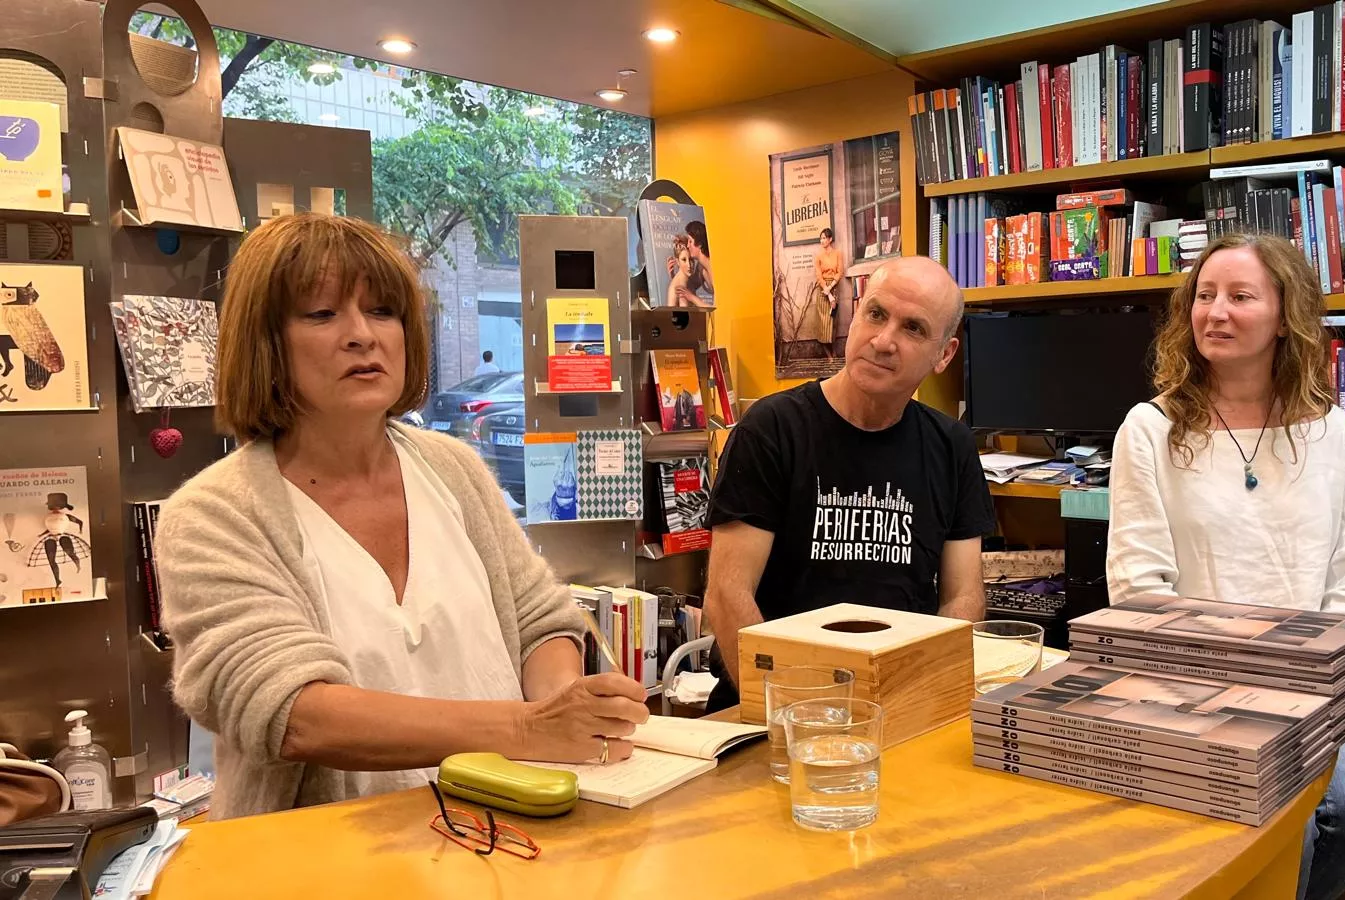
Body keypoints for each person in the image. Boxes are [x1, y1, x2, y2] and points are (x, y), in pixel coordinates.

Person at [154, 214, 649, 819]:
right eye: (321, 314)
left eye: (383, 311)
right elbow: (288, 711)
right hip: (334, 859)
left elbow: (539, 623)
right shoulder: (213, 515)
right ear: (265, 341)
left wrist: (569, 706)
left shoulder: (452, 468)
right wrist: (527, 729)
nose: (362, 335)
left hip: (507, 827)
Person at [1104, 232, 1345, 900]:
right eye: (1204, 295)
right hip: (1190, 681)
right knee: (1277, 831)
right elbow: (1138, 588)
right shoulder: (1149, 430)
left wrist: (1324, 683)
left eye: (1239, 296)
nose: (1215, 312)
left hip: (1314, 685)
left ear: (1285, 316)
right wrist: (1231, 684)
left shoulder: (1332, 433)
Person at [703, 255, 994, 710]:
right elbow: (727, 595)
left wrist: (924, 696)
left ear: (944, 355)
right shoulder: (772, 429)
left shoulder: (951, 445)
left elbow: (963, 597)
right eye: (876, 314)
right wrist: (789, 714)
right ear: (854, 313)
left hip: (896, 704)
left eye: (913, 328)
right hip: (771, 706)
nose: (883, 341)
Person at [808, 227, 844, 356]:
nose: (821, 241)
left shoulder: (838, 254)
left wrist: (831, 287)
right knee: (823, 322)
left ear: (830, 239)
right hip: (823, 290)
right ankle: (828, 355)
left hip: (833, 287)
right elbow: (818, 275)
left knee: (832, 321)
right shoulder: (819, 257)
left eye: (824, 238)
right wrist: (827, 291)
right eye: (821, 238)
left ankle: (834, 352)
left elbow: (840, 272)